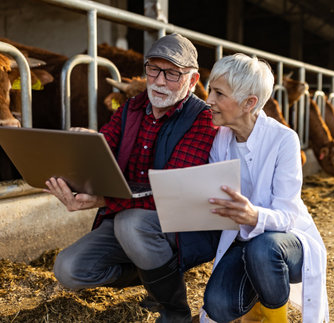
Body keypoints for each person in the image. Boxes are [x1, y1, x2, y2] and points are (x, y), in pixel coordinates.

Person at [44, 33, 217, 323]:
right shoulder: (131, 108)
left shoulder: (202, 119)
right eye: (153, 69)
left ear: (192, 78)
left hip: (179, 227)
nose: (160, 81)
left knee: (130, 222)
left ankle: (175, 311)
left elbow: (171, 193)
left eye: (172, 73)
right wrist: (80, 160)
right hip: (128, 219)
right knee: (69, 268)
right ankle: (154, 273)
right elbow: (105, 151)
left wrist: (103, 198)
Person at [199, 53, 329, 323]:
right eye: (210, 89)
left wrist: (254, 216)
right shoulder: (220, 139)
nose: (209, 99)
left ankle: (274, 318)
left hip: (287, 243)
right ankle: (255, 305)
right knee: (219, 306)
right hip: (242, 240)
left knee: (263, 248)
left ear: (249, 103)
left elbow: (287, 215)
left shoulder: (284, 140)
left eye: (218, 93)